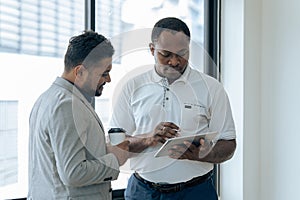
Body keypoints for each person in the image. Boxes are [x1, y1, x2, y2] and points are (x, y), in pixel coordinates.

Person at [109, 17, 237, 200]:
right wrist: (148, 139)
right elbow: (116, 146)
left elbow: (229, 145)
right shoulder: (132, 86)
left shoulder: (211, 87)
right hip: (142, 193)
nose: (175, 62)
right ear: (152, 50)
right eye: (166, 54)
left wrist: (202, 154)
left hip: (196, 192)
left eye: (182, 53)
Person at [28, 30, 130, 199]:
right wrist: (115, 160)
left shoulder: (47, 98)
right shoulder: (66, 105)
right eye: (104, 73)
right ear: (80, 72)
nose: (109, 79)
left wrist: (137, 144)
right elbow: (73, 173)